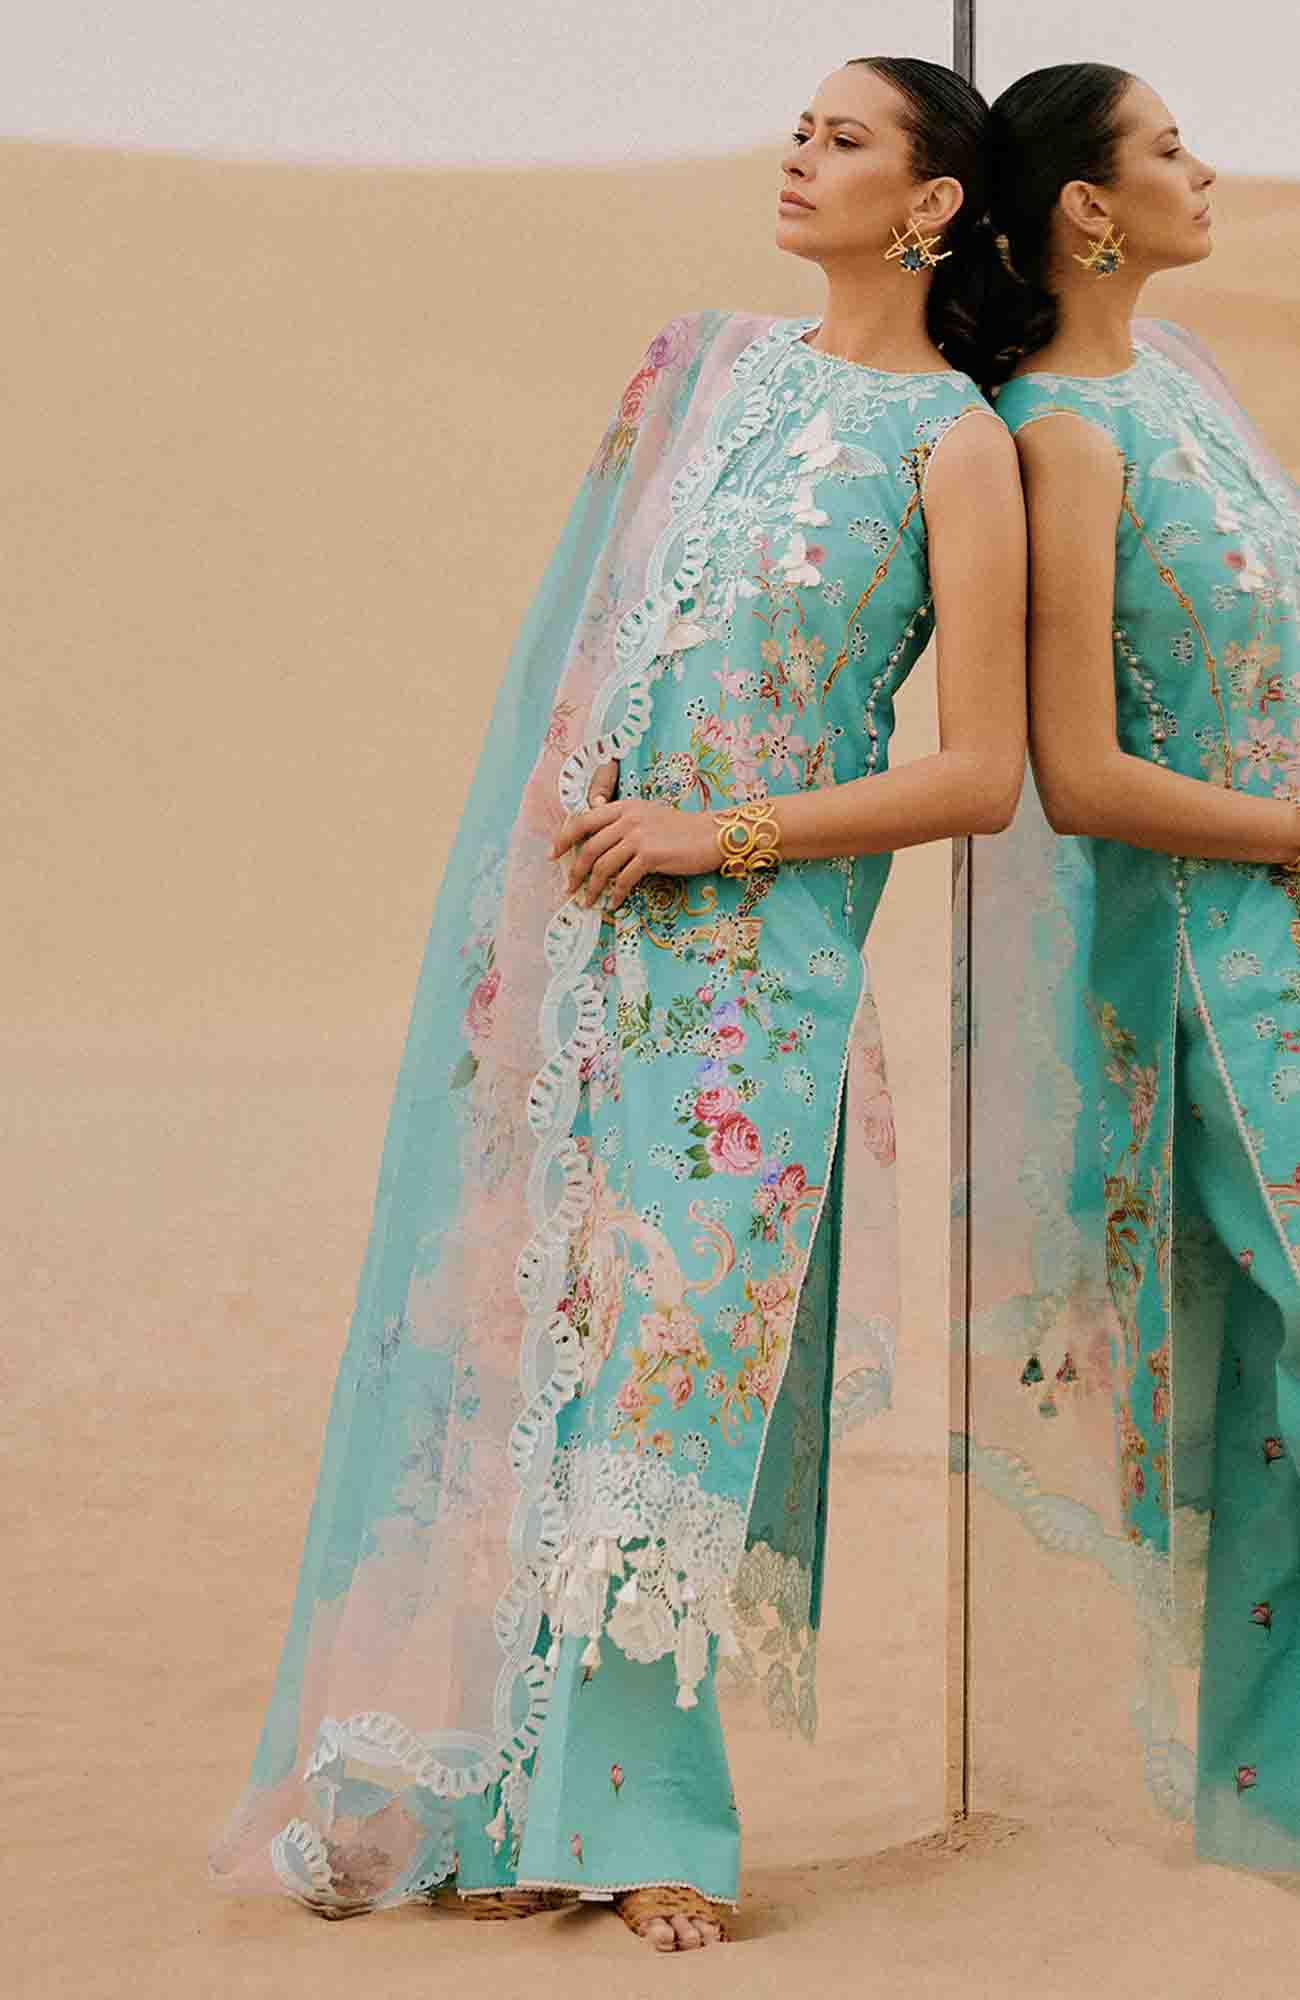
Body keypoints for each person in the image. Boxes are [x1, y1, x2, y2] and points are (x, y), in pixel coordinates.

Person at [207, 54, 1027, 1951]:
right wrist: (552, 897)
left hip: (755, 991)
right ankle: (493, 1802)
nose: (796, 156)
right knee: (535, 1374)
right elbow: (565, 668)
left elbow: (981, 773)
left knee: (675, 1387)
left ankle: (651, 1821)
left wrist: (708, 835)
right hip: (581, 960)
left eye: (843, 138)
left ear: (932, 203)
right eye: (797, 128)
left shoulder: (958, 448)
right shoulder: (696, 370)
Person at [985, 63, 1300, 1871]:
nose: (1209, 168)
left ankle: (1270, 1791)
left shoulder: (1182, 378)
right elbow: (1081, 774)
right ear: (1087, 208)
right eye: (1170, 147)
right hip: (1216, 967)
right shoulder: (1058, 437)